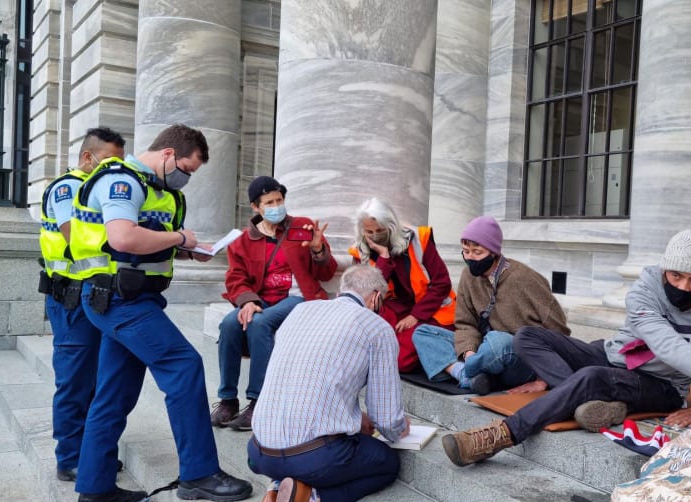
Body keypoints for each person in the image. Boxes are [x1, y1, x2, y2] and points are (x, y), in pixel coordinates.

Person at [441, 229, 691, 467]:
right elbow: (663, 341)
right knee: (527, 336)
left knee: (593, 377)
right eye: (676, 276)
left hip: (662, 387)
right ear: (664, 270)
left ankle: (499, 436)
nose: (683, 287)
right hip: (614, 357)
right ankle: (587, 397)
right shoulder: (644, 289)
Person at [67, 123, 252, 502]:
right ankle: (199, 474)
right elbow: (122, 239)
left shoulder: (155, 189)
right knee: (184, 365)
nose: (187, 177)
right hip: (120, 300)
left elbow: (140, 245)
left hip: (126, 297)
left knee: (113, 393)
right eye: (187, 167)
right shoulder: (122, 181)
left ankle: (94, 490)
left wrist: (189, 252)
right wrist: (178, 240)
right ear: (168, 154)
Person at [249, 265, 408, 502]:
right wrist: (399, 429)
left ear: (341, 290)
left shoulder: (300, 312)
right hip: (312, 456)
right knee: (386, 462)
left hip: (259, 450)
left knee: (314, 449)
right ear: (375, 299)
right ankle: (311, 498)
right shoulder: (376, 328)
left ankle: (276, 487)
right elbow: (386, 419)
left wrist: (350, 416)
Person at [210, 176, 338, 431]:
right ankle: (227, 400)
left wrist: (318, 251)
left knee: (260, 324)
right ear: (256, 207)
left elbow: (326, 272)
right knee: (229, 325)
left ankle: (259, 401)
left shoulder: (303, 227)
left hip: (297, 298)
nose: (277, 205)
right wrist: (246, 301)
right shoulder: (242, 241)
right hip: (260, 299)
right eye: (269, 202)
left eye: (280, 200)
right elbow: (236, 278)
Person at [38, 127, 127, 482]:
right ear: (87, 157)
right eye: (109, 161)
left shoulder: (96, 190)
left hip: (94, 296)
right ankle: (70, 457)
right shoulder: (70, 188)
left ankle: (91, 453)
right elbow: (75, 237)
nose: (115, 170)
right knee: (75, 380)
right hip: (70, 297)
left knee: (95, 380)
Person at [411, 215, 569, 394]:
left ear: (493, 252)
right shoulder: (468, 276)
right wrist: (468, 352)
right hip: (484, 350)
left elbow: (558, 332)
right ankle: (467, 375)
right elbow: (465, 324)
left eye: (477, 252)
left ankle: (469, 372)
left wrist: (543, 380)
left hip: (521, 359)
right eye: (465, 251)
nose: (470, 257)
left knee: (497, 340)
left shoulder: (525, 279)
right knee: (423, 333)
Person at [348, 197, 455, 372]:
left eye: (380, 230)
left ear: (391, 226)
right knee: (371, 339)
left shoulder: (418, 239)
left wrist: (416, 316)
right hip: (397, 308)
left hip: (432, 309)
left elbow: (442, 283)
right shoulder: (360, 250)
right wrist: (383, 257)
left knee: (400, 359)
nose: (375, 235)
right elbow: (369, 292)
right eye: (369, 232)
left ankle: (440, 351)